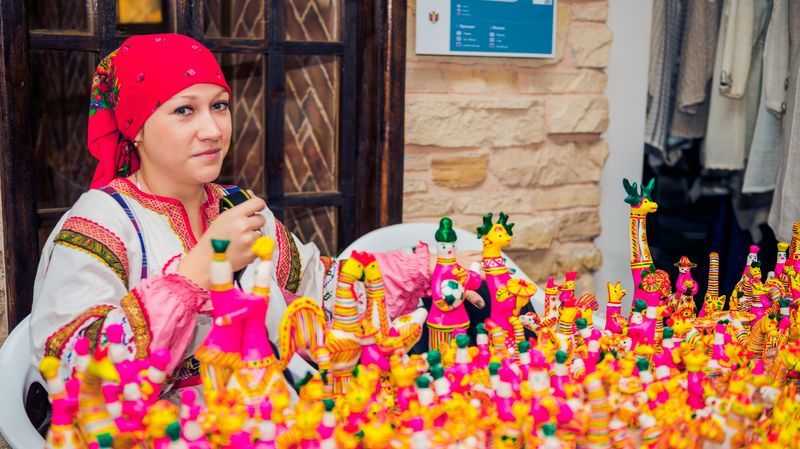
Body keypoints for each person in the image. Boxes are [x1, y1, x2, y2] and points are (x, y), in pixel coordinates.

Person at [29, 33, 483, 388]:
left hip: (262, 414)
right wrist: (196, 273)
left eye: (219, 106)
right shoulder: (100, 223)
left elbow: (321, 292)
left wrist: (427, 267)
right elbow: (71, 371)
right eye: (184, 110)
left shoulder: (234, 207)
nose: (212, 129)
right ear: (137, 128)